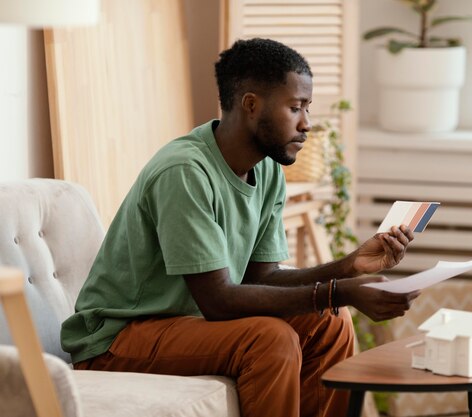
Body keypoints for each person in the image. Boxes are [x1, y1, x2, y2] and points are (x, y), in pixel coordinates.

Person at [61, 38, 419, 417]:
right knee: (270, 339)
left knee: (329, 323)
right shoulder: (185, 171)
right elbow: (218, 300)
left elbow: (261, 277)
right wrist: (338, 291)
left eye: (307, 108)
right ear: (251, 105)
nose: (307, 124)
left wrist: (347, 268)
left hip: (185, 324)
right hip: (118, 338)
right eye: (295, 107)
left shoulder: (267, 170)